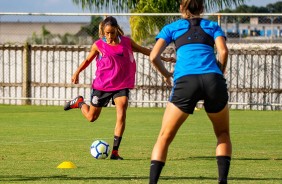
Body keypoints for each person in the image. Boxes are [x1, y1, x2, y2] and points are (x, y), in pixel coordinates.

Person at [64, 16, 174, 160]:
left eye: (112, 33)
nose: (109, 36)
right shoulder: (98, 45)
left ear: (117, 30)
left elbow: (145, 50)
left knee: (121, 113)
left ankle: (115, 152)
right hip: (102, 85)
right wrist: (77, 72)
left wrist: (164, 58)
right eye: (106, 33)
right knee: (91, 117)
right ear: (103, 32)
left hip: (121, 85)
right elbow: (87, 60)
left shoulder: (127, 42)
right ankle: (79, 102)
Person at [148, 0, 232, 183]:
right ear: (202, 8)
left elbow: (154, 56)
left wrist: (166, 74)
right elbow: (223, 52)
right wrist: (220, 72)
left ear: (180, 7)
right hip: (213, 80)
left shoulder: (172, 27)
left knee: (164, 136)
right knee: (223, 134)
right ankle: (222, 181)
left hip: (186, 81)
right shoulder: (212, 26)